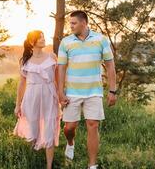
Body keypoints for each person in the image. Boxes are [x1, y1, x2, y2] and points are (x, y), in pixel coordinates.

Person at [57, 10, 117, 169]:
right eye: (70, 23)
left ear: (84, 23)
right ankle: (70, 143)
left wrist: (112, 90)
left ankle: (92, 165)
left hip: (94, 92)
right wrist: (60, 92)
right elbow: (61, 68)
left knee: (93, 125)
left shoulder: (100, 39)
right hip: (72, 92)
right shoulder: (66, 42)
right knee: (69, 127)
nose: (70, 26)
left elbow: (110, 65)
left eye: (74, 23)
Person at [13, 30, 61, 169]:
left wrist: (61, 96)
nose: (43, 39)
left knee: (49, 129)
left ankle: (49, 166)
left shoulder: (52, 57)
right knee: (32, 130)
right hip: (31, 96)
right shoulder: (25, 61)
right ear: (32, 42)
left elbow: (58, 79)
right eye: (40, 38)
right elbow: (21, 84)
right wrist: (18, 105)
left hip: (49, 95)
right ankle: (31, 161)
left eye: (43, 37)